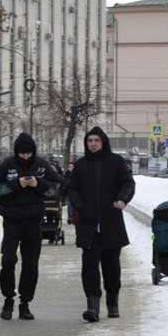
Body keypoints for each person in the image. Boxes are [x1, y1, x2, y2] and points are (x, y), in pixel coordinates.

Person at [67, 126, 135, 322]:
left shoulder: (116, 162)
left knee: (111, 265)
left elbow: (128, 183)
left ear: (103, 142)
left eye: (96, 140)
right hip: (88, 222)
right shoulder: (81, 165)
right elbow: (72, 189)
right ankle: (92, 306)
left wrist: (122, 199)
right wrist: (80, 205)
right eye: (90, 140)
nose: (93, 144)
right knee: (89, 265)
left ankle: (112, 303)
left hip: (111, 220)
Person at [0, 132, 61, 320]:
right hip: (12, 220)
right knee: (8, 260)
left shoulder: (41, 165)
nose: (26, 157)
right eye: (22, 154)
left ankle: (25, 302)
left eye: (29, 154)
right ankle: (8, 300)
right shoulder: (7, 165)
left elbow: (56, 187)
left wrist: (38, 183)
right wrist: (17, 184)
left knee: (30, 263)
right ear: (16, 152)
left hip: (33, 221)